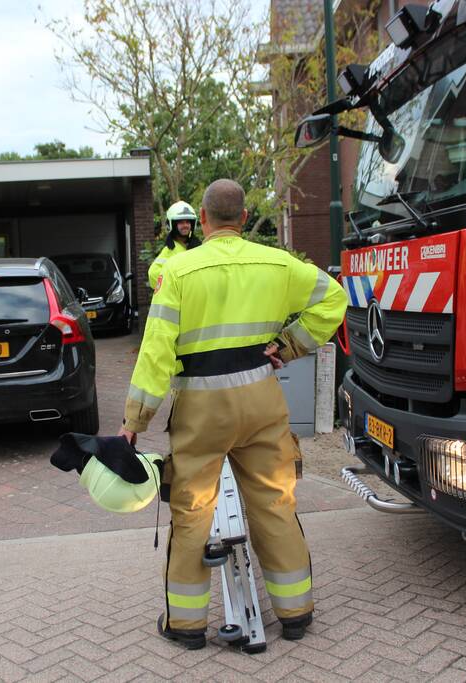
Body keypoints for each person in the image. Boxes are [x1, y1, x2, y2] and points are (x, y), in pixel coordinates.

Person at [118, 179, 348, 650]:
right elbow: (335, 299)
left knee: (193, 514)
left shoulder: (179, 272)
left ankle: (185, 627)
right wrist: (290, 344)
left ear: (201, 220)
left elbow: (156, 352)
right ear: (243, 219)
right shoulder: (278, 263)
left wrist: (134, 423)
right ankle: (296, 613)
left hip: (202, 410)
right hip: (261, 400)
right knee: (274, 505)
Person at [147, 200, 201, 290]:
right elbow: (153, 276)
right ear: (173, 224)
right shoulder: (169, 251)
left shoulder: (198, 247)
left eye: (188, 222)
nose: (185, 225)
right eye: (181, 222)